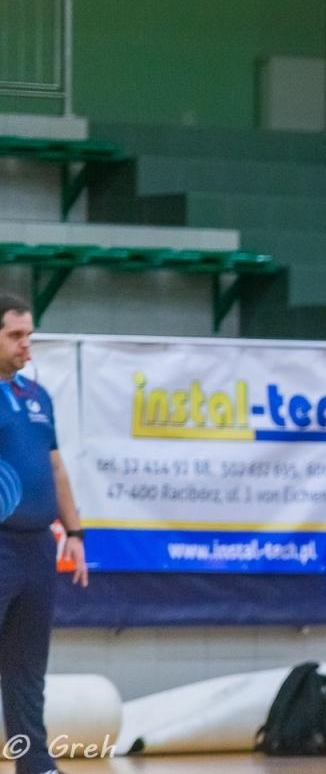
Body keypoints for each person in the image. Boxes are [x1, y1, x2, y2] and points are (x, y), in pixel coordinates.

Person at [0, 294, 89, 774]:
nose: (26, 345)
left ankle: (35, 763)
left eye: (29, 335)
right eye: (15, 335)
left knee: (27, 669)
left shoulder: (37, 397)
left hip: (37, 547)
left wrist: (74, 531)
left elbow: (55, 468)